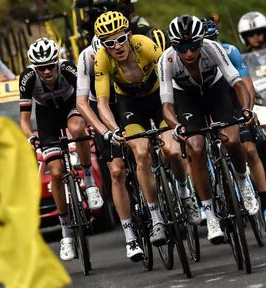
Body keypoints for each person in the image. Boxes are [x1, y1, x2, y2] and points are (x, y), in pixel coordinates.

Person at [93, 11, 200, 248]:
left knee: (171, 151)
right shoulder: (102, 59)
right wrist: (113, 130)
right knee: (141, 154)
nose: (117, 46)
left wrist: (175, 111)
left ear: (129, 35)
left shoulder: (146, 45)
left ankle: (184, 192)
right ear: (103, 45)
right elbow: (102, 103)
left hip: (157, 98)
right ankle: (156, 217)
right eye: (109, 43)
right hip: (129, 106)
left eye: (121, 39)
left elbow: (170, 77)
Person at [159, 15, 259, 244]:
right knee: (195, 148)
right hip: (187, 98)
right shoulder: (167, 60)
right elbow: (166, 106)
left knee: (232, 139)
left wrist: (245, 110)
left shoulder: (213, 48)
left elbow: (237, 84)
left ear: (202, 42)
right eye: (182, 48)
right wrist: (177, 127)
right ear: (174, 46)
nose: (188, 53)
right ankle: (211, 214)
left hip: (216, 91)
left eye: (193, 46)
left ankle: (243, 182)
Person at [19, 37, 104, 261]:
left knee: (77, 129)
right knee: (55, 172)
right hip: (46, 116)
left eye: (50, 66)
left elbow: (85, 101)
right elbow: (25, 119)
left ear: (56, 62)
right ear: (35, 68)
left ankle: (89, 180)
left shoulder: (67, 69)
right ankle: (66, 232)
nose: (47, 72)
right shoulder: (28, 78)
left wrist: (91, 125)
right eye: (41, 68)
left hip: (70, 107)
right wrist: (30, 137)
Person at [76, 36, 143, 261]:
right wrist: (102, 131)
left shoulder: (126, 50)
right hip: (100, 106)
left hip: (126, 100)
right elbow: (82, 102)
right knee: (116, 172)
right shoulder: (85, 57)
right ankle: (129, 234)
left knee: (145, 154)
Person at [202, 18, 266, 221]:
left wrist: (247, 111)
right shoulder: (188, 58)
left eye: (212, 39)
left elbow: (247, 85)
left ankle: (264, 202)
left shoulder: (230, 52)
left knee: (250, 149)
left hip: (232, 101)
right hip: (205, 104)